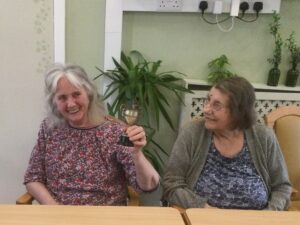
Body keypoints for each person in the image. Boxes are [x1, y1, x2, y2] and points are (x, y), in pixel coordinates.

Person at [24, 64, 159, 205]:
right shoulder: (49, 129)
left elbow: (148, 186)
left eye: (76, 94)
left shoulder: (114, 131)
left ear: (88, 94)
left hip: (104, 216)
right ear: (54, 101)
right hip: (58, 216)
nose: (70, 104)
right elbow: (33, 178)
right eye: (62, 98)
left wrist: (137, 154)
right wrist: (55, 209)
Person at [163, 76, 291, 210]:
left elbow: (282, 187)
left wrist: (267, 216)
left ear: (238, 112)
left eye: (217, 105)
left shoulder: (264, 137)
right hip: (204, 220)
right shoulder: (192, 133)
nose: (206, 109)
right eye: (208, 100)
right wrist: (203, 208)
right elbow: (171, 184)